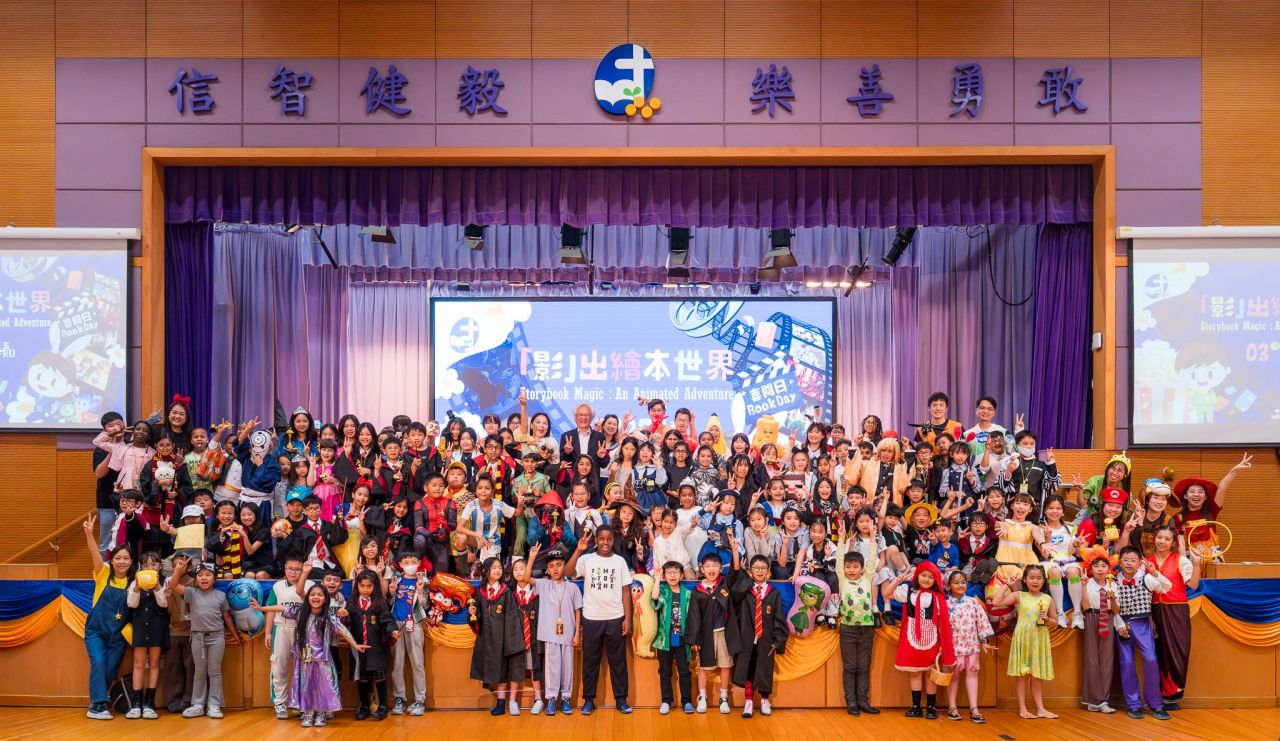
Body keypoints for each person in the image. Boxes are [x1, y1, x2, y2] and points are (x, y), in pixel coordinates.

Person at [254, 585, 368, 727]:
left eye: (320, 595)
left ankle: (321, 713)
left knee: (323, 687)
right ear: (308, 598)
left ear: (325, 599)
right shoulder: (300, 613)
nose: (316, 597)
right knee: (306, 686)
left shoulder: (329, 617)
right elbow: (281, 608)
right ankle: (308, 712)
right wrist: (262, 608)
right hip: (305, 659)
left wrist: (355, 645)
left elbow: (343, 630)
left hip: (322, 659)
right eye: (313, 594)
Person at [566, 525, 634, 715]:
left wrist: (628, 618)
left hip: (615, 617)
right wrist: (578, 550)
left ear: (613, 540)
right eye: (601, 539)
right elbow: (568, 572)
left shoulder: (619, 561)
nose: (605, 542)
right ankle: (588, 700)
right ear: (596, 540)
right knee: (590, 661)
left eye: (609, 539)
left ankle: (621, 700)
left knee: (618, 662)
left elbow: (626, 591)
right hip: (591, 618)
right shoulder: (587, 559)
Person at [170, 559, 239, 719]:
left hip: (216, 637)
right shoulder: (191, 593)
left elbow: (227, 616)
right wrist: (178, 570)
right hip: (197, 637)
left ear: (214, 578)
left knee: (214, 671)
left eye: (208, 574)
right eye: (200, 575)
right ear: (196, 579)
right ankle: (198, 704)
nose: (204, 578)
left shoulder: (221, 595)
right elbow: (173, 586)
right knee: (199, 672)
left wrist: (235, 635)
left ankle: (214, 704)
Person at [81, 515, 134, 720]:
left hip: (118, 636)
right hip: (96, 631)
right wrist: (89, 534)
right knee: (98, 662)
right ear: (112, 560)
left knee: (111, 669)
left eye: (126, 558)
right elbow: (95, 553)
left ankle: (97, 701)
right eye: (118, 558)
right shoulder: (102, 573)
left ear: (131, 562)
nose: (121, 562)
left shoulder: (134, 583)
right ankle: (98, 706)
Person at [1113, 545, 1174, 721]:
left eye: (1133, 560)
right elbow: (1112, 608)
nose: (1129, 563)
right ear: (1119, 562)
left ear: (1140, 562)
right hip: (1122, 623)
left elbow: (1167, 586)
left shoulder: (1146, 578)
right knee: (1127, 663)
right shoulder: (1113, 580)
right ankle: (1133, 704)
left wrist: (1154, 572)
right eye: (1126, 560)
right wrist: (1118, 624)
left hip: (1142, 624)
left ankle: (1155, 704)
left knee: (1151, 659)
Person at [520, 544, 581, 716]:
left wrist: (577, 633)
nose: (555, 569)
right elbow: (525, 578)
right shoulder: (544, 585)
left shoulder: (573, 588)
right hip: (550, 635)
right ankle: (552, 698)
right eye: (551, 566)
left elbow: (577, 611)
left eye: (559, 565)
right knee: (552, 667)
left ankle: (566, 698)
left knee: (567, 667)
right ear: (547, 569)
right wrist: (532, 558)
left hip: (568, 635)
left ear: (565, 566)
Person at [891, 561, 955, 719]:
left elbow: (943, 624)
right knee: (915, 674)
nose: (926, 579)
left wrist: (944, 646)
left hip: (932, 640)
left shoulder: (938, 598)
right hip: (911, 638)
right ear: (917, 576)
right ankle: (916, 706)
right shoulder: (908, 592)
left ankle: (931, 708)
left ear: (936, 580)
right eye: (923, 575)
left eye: (930, 577)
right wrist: (898, 580)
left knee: (930, 674)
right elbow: (886, 593)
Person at [994, 564, 1057, 720]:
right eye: (1031, 578)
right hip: (1023, 638)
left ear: (1044, 580)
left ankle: (1040, 709)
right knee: (1022, 675)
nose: (1035, 581)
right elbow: (996, 602)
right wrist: (1007, 585)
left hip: (1039, 639)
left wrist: (1047, 619)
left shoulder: (1048, 599)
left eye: (1039, 578)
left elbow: (1055, 622)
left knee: (1037, 675)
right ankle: (1023, 709)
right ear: (1024, 580)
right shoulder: (1019, 596)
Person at [1149, 523, 1201, 709]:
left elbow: (1193, 585)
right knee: (1161, 652)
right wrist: (1149, 618)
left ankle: (1174, 695)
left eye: (1167, 539)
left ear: (1173, 543)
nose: (1162, 541)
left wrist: (1196, 563)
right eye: (1160, 537)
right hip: (1155, 611)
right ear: (1154, 538)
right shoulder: (1147, 561)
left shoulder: (1181, 560)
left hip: (1177, 610)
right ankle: (1162, 695)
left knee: (1179, 650)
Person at [732, 554, 787, 719]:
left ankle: (764, 700)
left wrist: (778, 640)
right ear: (750, 571)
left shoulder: (773, 593)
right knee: (748, 669)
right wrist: (743, 576)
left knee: (765, 669)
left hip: (766, 639)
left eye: (763, 568)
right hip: (747, 638)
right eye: (756, 568)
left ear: (768, 571)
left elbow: (779, 617)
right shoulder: (745, 591)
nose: (760, 571)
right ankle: (748, 701)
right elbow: (733, 592)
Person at [469, 556, 525, 715]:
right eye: (494, 567)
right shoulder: (480, 592)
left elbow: (512, 617)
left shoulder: (505, 592)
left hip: (502, 639)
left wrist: (510, 641)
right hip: (486, 639)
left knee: (502, 671)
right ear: (486, 571)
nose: (498, 570)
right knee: (493, 670)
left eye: (500, 567)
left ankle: (501, 703)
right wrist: (473, 613)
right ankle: (499, 702)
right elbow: (476, 616)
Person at [836, 516, 880, 717]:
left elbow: (872, 558)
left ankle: (863, 701)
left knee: (864, 667)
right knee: (850, 667)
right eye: (848, 567)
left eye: (855, 567)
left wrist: (873, 538)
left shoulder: (867, 577)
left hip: (866, 629)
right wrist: (841, 539)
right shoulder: (843, 579)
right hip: (848, 630)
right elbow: (839, 560)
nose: (851, 570)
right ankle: (851, 702)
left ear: (862, 569)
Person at [1173, 453, 1251, 562]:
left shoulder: (1211, 511)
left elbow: (1222, 489)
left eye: (1200, 492)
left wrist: (1234, 471)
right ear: (1185, 496)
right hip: (1191, 559)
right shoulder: (1177, 518)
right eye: (1192, 491)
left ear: (1205, 497)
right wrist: (1184, 563)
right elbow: (1179, 543)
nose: (1196, 494)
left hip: (1214, 559)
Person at [264, 553, 315, 719]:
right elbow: (271, 610)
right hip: (282, 628)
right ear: (285, 568)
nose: (293, 572)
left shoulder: (310, 584)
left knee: (305, 667)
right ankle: (279, 703)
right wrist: (268, 632)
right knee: (279, 666)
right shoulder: (278, 586)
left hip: (304, 630)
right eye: (290, 568)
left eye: (297, 569)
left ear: (304, 569)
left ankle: (302, 703)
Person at [688, 550, 737, 714]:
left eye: (715, 565)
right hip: (706, 635)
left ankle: (724, 698)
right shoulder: (697, 592)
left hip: (724, 633)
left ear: (720, 568)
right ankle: (702, 697)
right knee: (704, 667)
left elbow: (736, 572)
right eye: (707, 566)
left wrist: (735, 552)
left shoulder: (725, 585)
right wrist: (695, 639)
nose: (711, 569)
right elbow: (694, 616)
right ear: (702, 569)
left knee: (725, 666)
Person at [944, 570, 994, 723]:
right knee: (954, 676)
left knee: (973, 674)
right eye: (956, 582)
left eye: (963, 582)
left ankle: (974, 708)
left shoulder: (973, 602)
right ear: (948, 585)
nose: (960, 585)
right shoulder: (945, 604)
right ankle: (952, 707)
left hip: (972, 646)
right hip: (954, 648)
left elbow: (982, 622)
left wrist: (984, 641)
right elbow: (941, 627)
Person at [124, 551, 168, 719]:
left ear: (160, 566)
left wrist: (157, 587)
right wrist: (136, 587)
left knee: (155, 662)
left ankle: (150, 703)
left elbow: (164, 604)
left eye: (154, 564)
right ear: (140, 568)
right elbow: (131, 604)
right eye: (146, 565)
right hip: (140, 625)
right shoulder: (134, 583)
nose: (150, 567)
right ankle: (136, 704)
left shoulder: (164, 582)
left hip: (157, 625)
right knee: (138, 663)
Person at [1078, 545, 1120, 714]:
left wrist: (1113, 599)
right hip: (1091, 618)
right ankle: (1093, 699)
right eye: (1096, 566)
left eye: (1103, 566)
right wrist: (1083, 586)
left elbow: (1116, 610)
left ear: (1109, 569)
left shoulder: (1113, 585)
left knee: (1107, 659)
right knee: (1091, 659)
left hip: (1108, 618)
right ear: (1090, 569)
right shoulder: (1087, 583)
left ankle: (1103, 699)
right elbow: (1085, 607)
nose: (1100, 569)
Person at [387, 550, 428, 716]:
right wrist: (391, 593)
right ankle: (399, 699)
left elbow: (424, 605)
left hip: (414, 623)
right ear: (401, 565)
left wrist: (420, 591)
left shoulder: (423, 580)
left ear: (419, 563)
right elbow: (389, 602)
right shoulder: (395, 579)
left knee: (417, 663)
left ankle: (420, 700)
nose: (410, 565)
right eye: (406, 562)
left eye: (413, 562)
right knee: (397, 664)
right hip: (396, 624)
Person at [651, 559, 695, 715]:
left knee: (684, 671)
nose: (672, 575)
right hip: (665, 638)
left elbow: (693, 618)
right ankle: (666, 701)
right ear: (665, 576)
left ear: (682, 575)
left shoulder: (688, 593)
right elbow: (654, 598)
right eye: (669, 573)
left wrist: (693, 639)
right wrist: (657, 578)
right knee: (665, 671)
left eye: (676, 572)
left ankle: (687, 701)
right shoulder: (663, 591)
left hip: (682, 639)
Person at [161, 553, 196, 714]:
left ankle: (189, 700)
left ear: (190, 567)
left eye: (182, 565)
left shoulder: (195, 583)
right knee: (173, 668)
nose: (178, 568)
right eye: (174, 565)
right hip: (175, 631)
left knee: (191, 667)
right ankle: (173, 701)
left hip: (192, 632)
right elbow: (169, 612)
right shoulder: (170, 584)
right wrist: (169, 598)